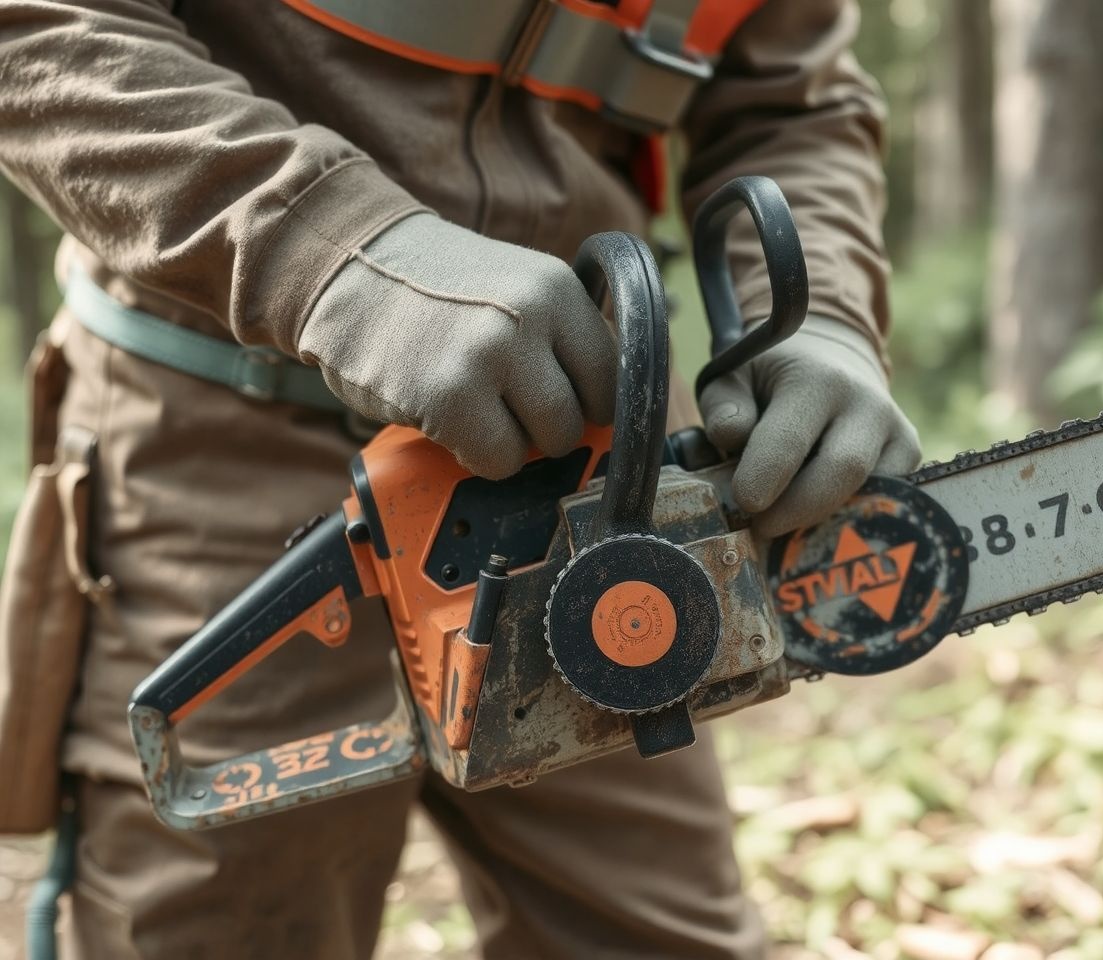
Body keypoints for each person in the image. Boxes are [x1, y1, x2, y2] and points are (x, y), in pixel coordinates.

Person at [0, 2, 920, 957]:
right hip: (219, 431)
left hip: (585, 459)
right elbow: (42, 26)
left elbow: (793, 101)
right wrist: (343, 253)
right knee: (223, 926)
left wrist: (820, 311)